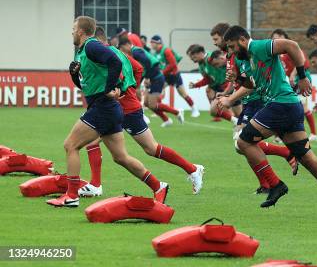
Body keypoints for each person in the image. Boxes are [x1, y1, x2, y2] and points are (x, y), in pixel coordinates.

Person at [220, 25, 317, 213]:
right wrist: (237, 78)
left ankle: (276, 185)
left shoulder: (259, 47)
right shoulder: (248, 58)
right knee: (307, 159)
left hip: (281, 104)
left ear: (243, 41)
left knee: (243, 142)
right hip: (288, 106)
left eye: (231, 46)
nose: (230, 51)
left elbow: (292, 45)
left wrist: (302, 77)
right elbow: (252, 85)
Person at [47, 16, 169, 207]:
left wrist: (110, 87)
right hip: (108, 109)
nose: (71, 32)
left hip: (103, 107)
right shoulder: (81, 52)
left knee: (70, 145)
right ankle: (158, 186)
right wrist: (74, 76)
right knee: (121, 157)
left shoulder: (91, 46)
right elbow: (86, 86)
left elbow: (115, 61)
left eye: (73, 28)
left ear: (80, 31)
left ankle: (71, 196)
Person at [78, 35, 205, 197]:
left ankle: (192, 169)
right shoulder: (107, 55)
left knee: (151, 148)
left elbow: (137, 68)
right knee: (94, 142)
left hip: (127, 109)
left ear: (101, 42)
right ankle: (96, 185)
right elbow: (137, 68)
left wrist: (126, 90)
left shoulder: (111, 55)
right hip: (113, 109)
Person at [271, 29, 317, 142]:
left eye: (277, 36)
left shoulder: (290, 47)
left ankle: (313, 134)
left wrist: (293, 75)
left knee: (302, 106)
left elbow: (301, 61)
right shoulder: (277, 52)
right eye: (273, 37)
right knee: (283, 106)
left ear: (284, 36)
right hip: (289, 82)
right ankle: (281, 135)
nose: (275, 39)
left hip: (301, 79)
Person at [150, 34, 200, 118]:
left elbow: (173, 64)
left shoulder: (166, 50)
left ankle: (194, 109)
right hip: (166, 76)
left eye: (152, 42)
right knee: (158, 90)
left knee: (183, 94)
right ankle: (159, 110)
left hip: (174, 75)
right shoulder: (155, 53)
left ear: (157, 43)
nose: (151, 44)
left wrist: (162, 72)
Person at [186, 45, 238, 124]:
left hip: (229, 86)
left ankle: (239, 123)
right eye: (190, 57)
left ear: (200, 53)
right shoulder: (201, 65)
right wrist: (196, 85)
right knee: (214, 109)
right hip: (224, 87)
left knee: (237, 112)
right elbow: (208, 79)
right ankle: (237, 122)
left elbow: (228, 62)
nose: (191, 58)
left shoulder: (211, 58)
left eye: (193, 55)